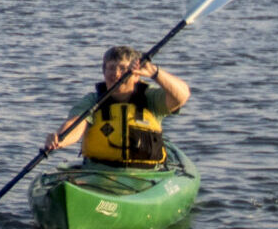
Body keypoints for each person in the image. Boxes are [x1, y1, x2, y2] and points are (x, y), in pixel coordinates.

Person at [43, 45, 191, 167]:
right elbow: (75, 126)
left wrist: (154, 73)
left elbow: (181, 96)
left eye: (123, 68)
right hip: (99, 171)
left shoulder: (150, 98)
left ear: (137, 74)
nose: (116, 74)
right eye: (111, 68)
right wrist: (60, 139)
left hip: (146, 173)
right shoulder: (93, 101)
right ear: (104, 71)